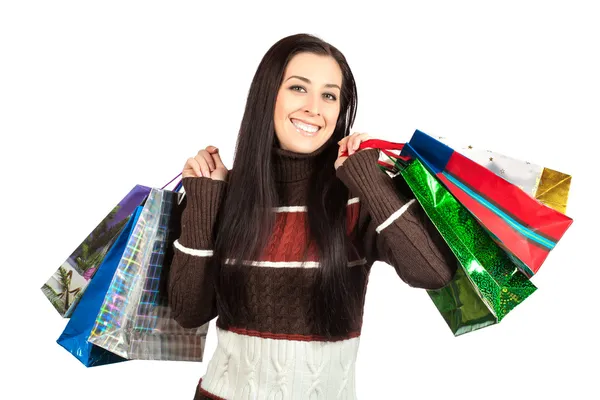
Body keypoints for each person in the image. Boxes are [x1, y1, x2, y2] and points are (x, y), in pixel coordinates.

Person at [168, 33, 457, 400]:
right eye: (298, 88)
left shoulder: (356, 194)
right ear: (267, 95)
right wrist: (206, 200)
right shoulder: (227, 194)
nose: (314, 108)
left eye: (329, 95)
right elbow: (187, 313)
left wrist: (370, 181)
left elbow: (434, 273)